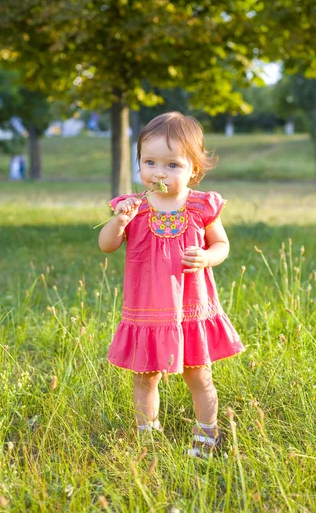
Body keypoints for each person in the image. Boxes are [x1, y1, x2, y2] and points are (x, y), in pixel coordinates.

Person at [98, 111, 245, 457]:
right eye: (149, 162)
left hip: (189, 309)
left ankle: (207, 437)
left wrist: (208, 257)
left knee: (199, 375)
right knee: (144, 377)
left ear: (193, 169)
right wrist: (118, 223)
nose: (158, 173)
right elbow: (106, 245)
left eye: (172, 165)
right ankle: (147, 439)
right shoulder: (133, 207)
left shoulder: (200, 206)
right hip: (147, 309)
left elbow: (221, 245)